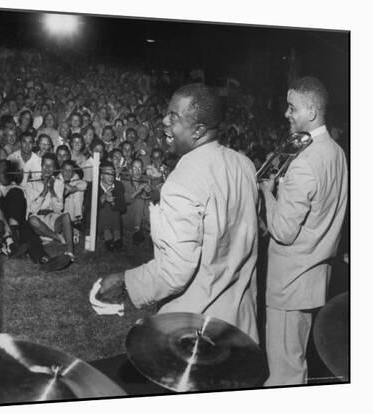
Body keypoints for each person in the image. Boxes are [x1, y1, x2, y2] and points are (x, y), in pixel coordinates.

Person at [97, 84, 260, 344]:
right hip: (239, 323)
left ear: (198, 130)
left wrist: (126, 282)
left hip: (195, 329)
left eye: (174, 116)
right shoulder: (245, 164)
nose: (164, 121)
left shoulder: (183, 179)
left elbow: (175, 271)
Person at [259, 77, 348, 386]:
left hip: (289, 283)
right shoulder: (336, 152)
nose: (287, 113)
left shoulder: (305, 162)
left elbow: (283, 231)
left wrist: (268, 194)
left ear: (311, 111)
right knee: (298, 363)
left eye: (292, 107)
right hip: (314, 278)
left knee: (285, 375)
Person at [26, 154, 75, 261]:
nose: (47, 169)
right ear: (41, 165)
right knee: (32, 220)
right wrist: (44, 191)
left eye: (51, 166)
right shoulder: (31, 182)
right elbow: (32, 209)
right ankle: (57, 237)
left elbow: (59, 209)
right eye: (45, 165)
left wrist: (52, 190)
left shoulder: (58, 182)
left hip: (52, 217)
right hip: (39, 220)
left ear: (55, 168)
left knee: (66, 216)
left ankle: (70, 252)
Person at [97, 160, 126, 251]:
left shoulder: (118, 185)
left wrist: (113, 202)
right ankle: (107, 236)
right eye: (108, 173)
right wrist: (103, 198)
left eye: (113, 173)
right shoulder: (94, 186)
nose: (111, 177)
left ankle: (117, 237)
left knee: (113, 205)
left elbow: (123, 208)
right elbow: (89, 208)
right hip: (98, 221)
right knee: (105, 205)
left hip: (114, 221)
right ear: (101, 175)